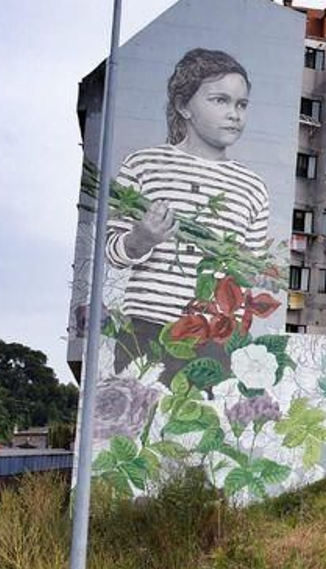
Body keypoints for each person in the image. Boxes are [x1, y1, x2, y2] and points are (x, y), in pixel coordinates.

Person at [103, 48, 271, 373]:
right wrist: (140, 239)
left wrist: (242, 266)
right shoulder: (145, 165)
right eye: (220, 100)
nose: (234, 113)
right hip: (147, 330)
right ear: (183, 106)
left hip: (213, 338)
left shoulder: (253, 187)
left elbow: (250, 273)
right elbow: (111, 251)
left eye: (242, 104)